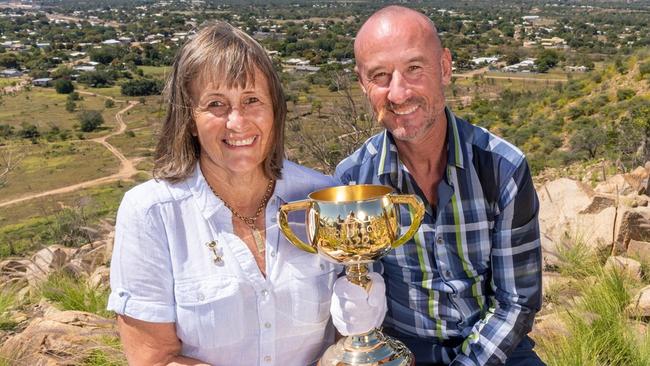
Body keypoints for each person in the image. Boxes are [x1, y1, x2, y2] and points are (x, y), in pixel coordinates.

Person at [107, 21, 339, 365]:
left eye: (252, 100)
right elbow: (153, 359)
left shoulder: (322, 197)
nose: (237, 121)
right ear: (189, 118)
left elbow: (349, 334)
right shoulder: (152, 213)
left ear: (275, 109)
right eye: (216, 104)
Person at [331, 6, 544, 366]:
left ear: (444, 67)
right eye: (380, 76)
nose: (398, 94)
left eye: (414, 69)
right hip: (401, 354)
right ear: (362, 83)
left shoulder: (501, 168)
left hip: (497, 348)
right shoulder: (354, 181)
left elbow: (516, 301)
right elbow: (361, 298)